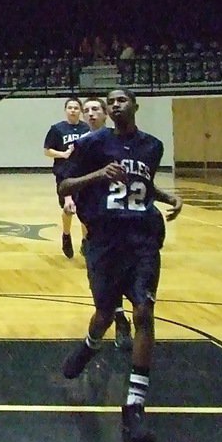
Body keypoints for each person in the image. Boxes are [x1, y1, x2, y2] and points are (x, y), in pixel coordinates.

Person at [58, 88, 183, 442]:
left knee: (144, 311)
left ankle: (134, 406)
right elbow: (65, 184)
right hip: (104, 242)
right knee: (103, 313)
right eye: (109, 102)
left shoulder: (152, 146)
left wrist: (166, 196)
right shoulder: (92, 144)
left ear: (134, 106)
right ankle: (89, 345)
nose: (114, 106)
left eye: (120, 100)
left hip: (142, 240)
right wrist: (97, 175)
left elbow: (140, 184)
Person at [82, 96, 133, 352]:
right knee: (104, 283)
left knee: (122, 279)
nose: (91, 114)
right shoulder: (85, 145)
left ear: (105, 114)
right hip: (96, 220)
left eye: (95, 109)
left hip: (123, 220)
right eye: (86, 110)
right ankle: (106, 325)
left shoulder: (122, 144)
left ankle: (121, 320)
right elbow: (69, 179)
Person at [43, 97, 90, 259]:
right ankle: (66, 235)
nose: (73, 110)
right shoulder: (57, 129)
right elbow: (47, 150)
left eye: (76, 108)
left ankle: (86, 241)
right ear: (65, 110)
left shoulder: (87, 129)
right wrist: (62, 154)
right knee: (68, 209)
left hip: (84, 174)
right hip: (64, 174)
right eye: (70, 108)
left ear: (80, 111)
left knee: (86, 209)